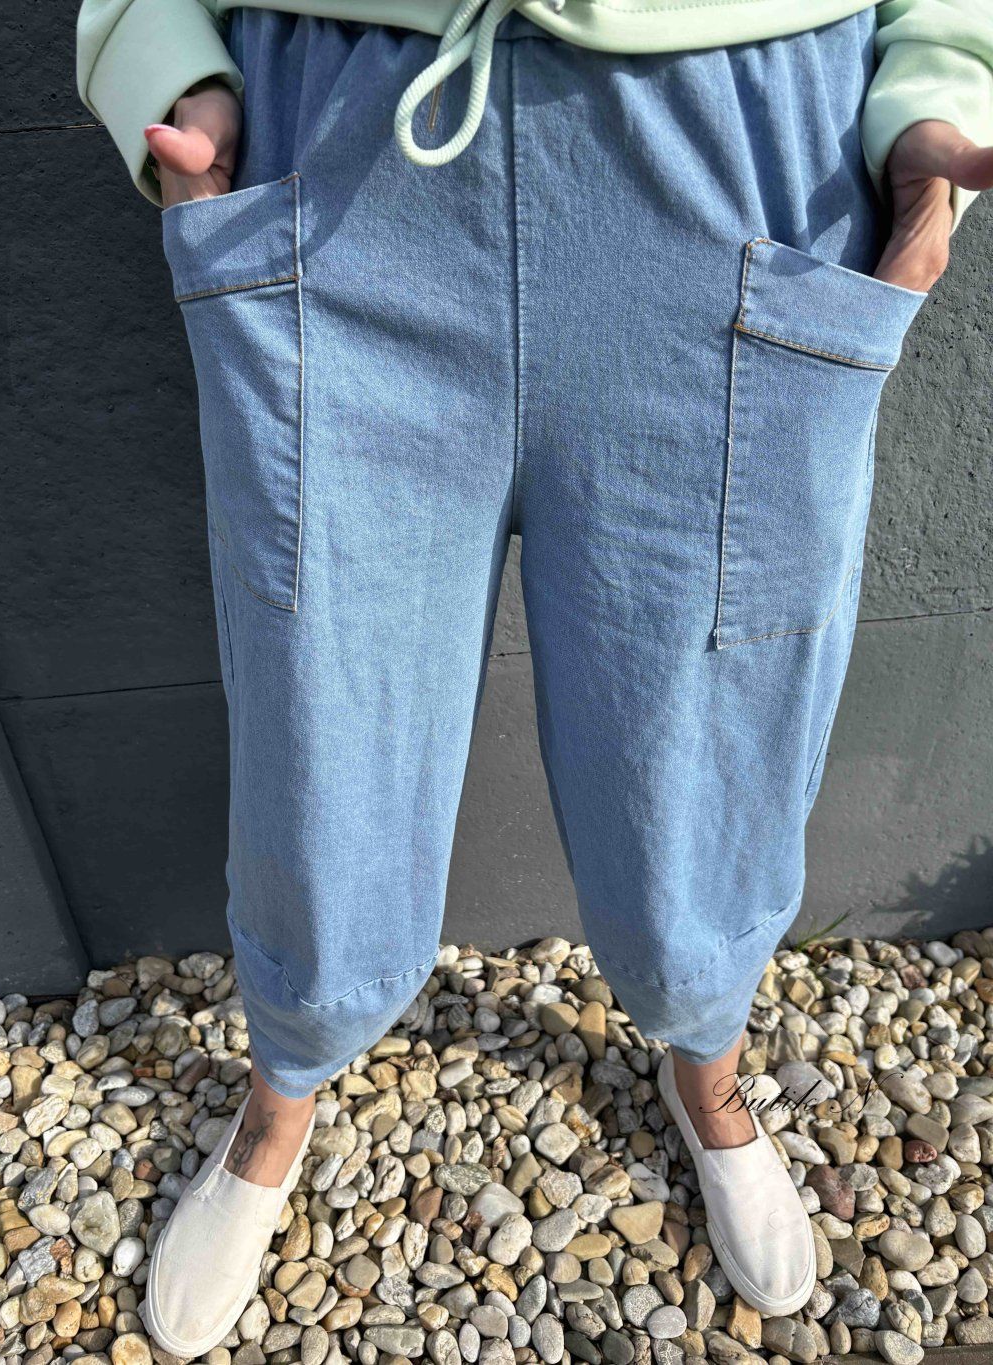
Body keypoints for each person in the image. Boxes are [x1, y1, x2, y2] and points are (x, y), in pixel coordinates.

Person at [76, 0, 992, 1352]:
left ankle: (709, 1062)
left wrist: (938, 96)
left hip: (735, 151)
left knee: (706, 731)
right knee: (319, 709)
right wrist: (164, 69)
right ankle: (283, 1087)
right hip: (343, 137)